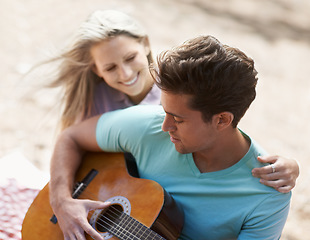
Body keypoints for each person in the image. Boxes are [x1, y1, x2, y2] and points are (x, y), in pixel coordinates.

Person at [49, 35, 291, 240]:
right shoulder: (148, 125)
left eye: (178, 119)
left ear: (222, 120)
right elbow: (70, 137)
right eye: (165, 112)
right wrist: (61, 201)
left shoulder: (266, 196)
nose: (165, 126)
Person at [46, 9, 298, 191]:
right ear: (95, 70)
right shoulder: (95, 97)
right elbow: (73, 144)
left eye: (130, 57)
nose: (124, 73)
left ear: (145, 44)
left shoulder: (175, 91)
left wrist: (290, 165)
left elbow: (221, 132)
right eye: (110, 68)